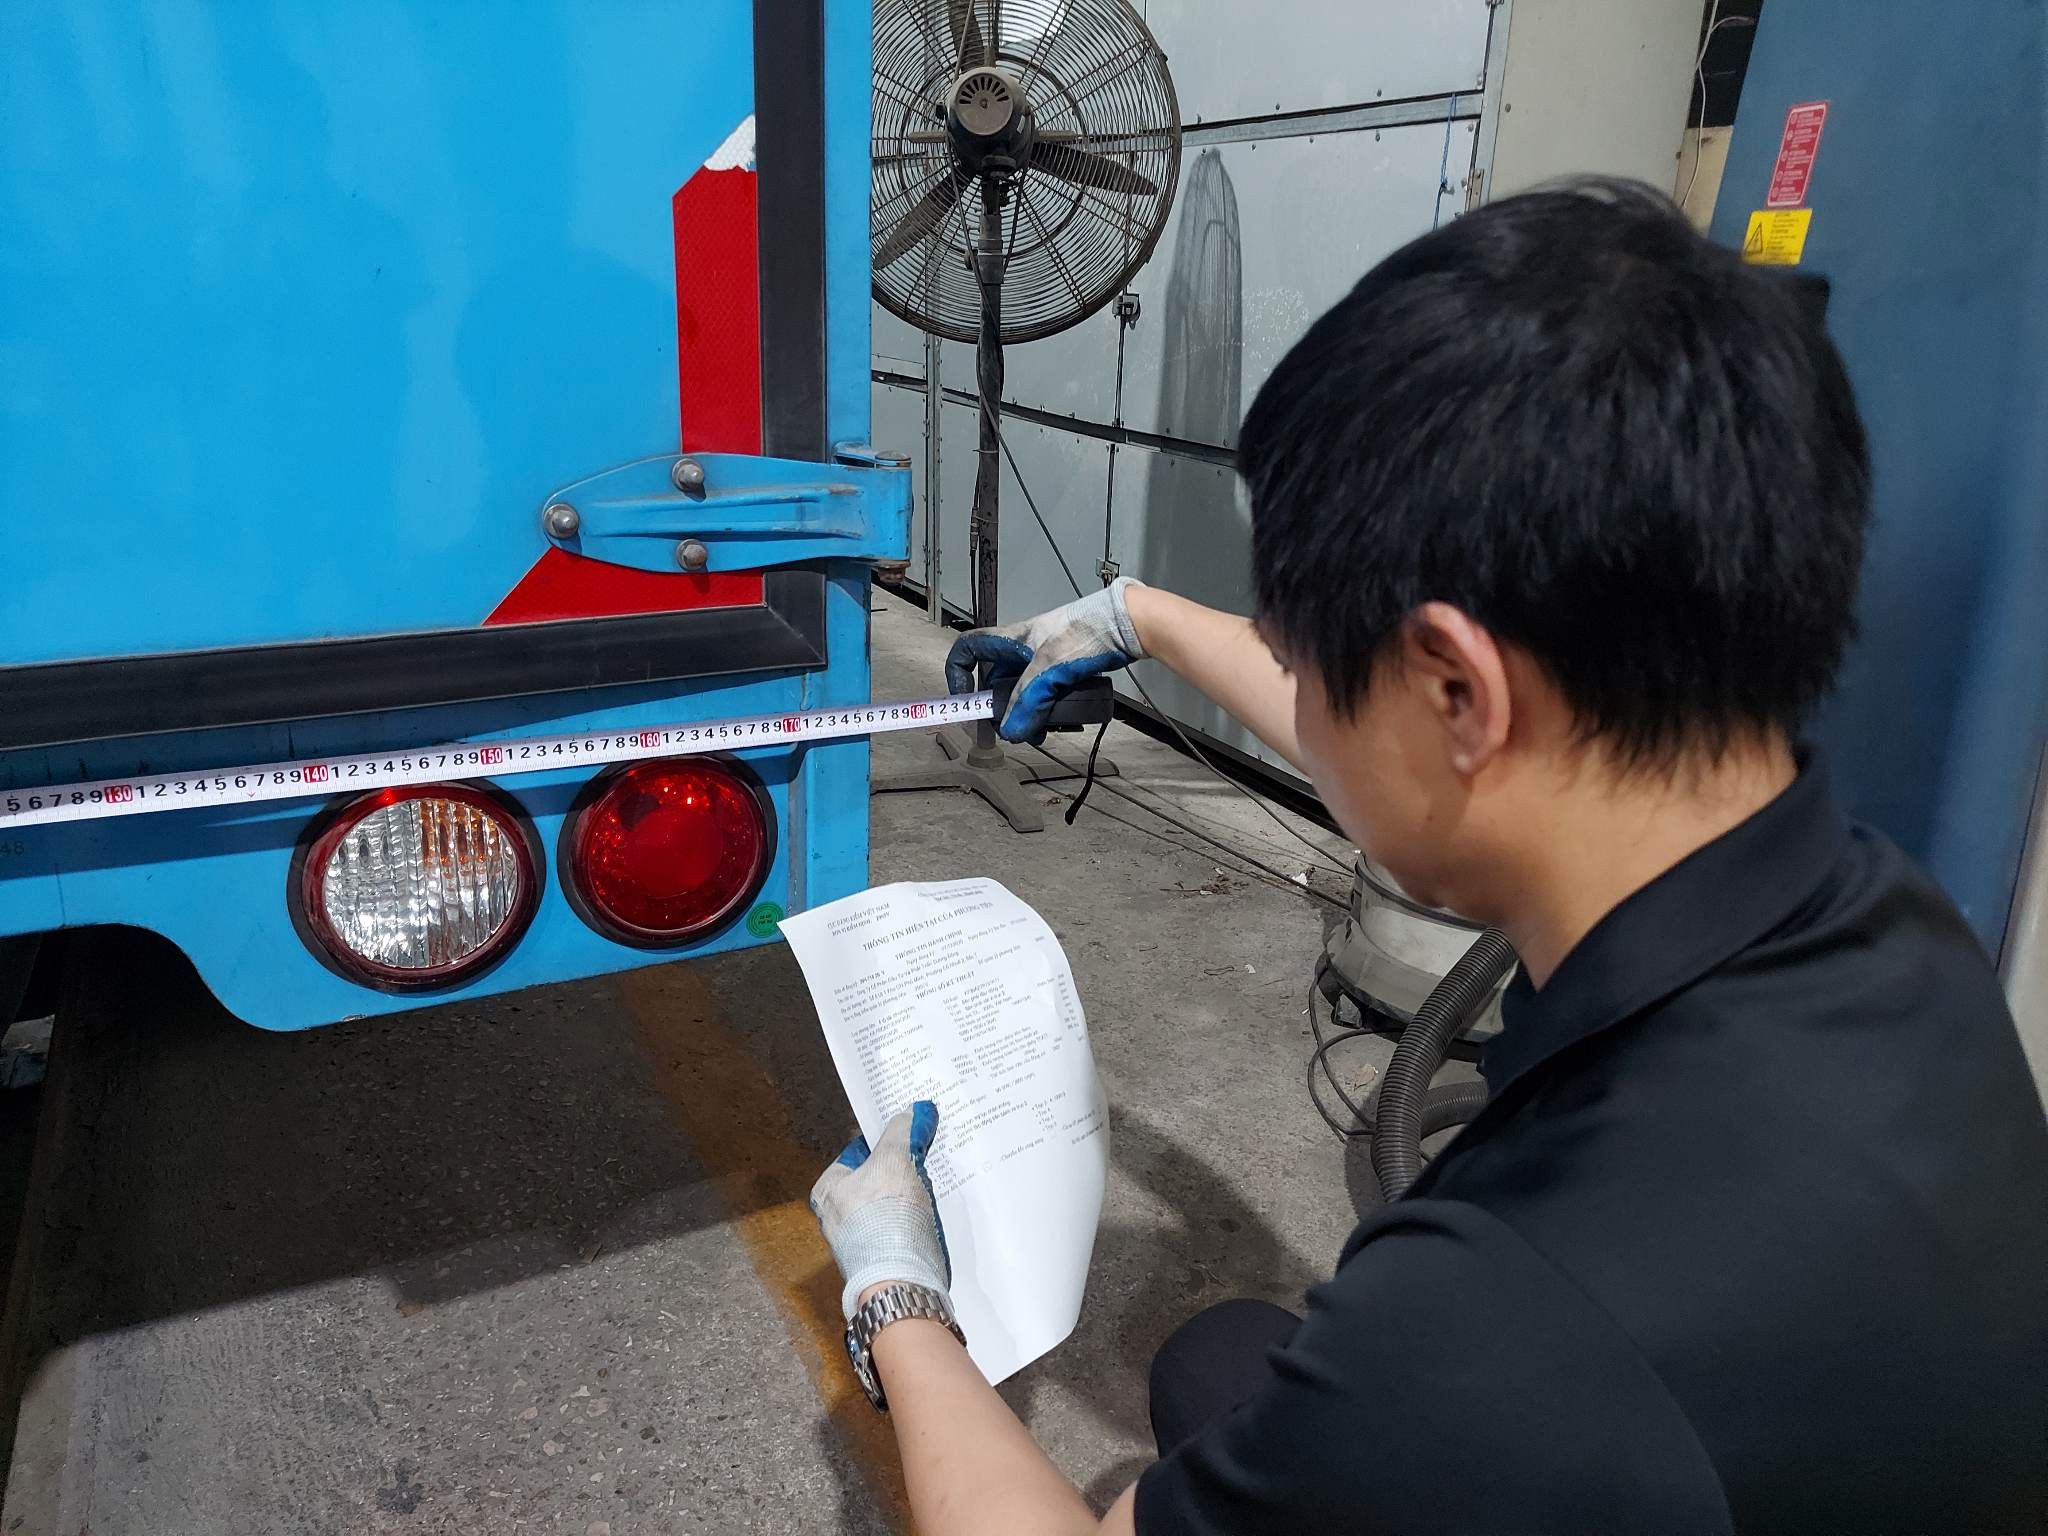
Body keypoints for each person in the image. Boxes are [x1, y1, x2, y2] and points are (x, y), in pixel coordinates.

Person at [807, 181, 2048, 1533]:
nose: (1302, 701)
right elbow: (1416, 760)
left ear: (1460, 694)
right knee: (1220, 1365)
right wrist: (1140, 618)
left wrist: (900, 1303)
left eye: (1307, 659)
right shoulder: (1887, 921)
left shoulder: (1504, 1327)